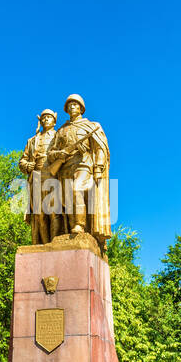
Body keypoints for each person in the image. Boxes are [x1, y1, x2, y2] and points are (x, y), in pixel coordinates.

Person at [46, 94, 112, 253]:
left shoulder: (91, 126)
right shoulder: (61, 130)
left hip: (84, 165)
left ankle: (80, 225)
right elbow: (51, 153)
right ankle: (71, 230)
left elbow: (100, 149)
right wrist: (60, 154)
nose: (72, 107)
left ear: (81, 108)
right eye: (69, 105)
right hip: (65, 168)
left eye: (75, 104)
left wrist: (98, 167)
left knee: (76, 190)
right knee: (67, 200)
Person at [18, 109, 62, 245]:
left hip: (54, 176)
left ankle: (54, 244)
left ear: (54, 121)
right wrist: (27, 165)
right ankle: (43, 245)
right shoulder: (32, 140)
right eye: (43, 118)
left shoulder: (60, 136)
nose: (46, 119)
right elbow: (22, 160)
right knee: (40, 215)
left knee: (54, 212)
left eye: (49, 117)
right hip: (36, 177)